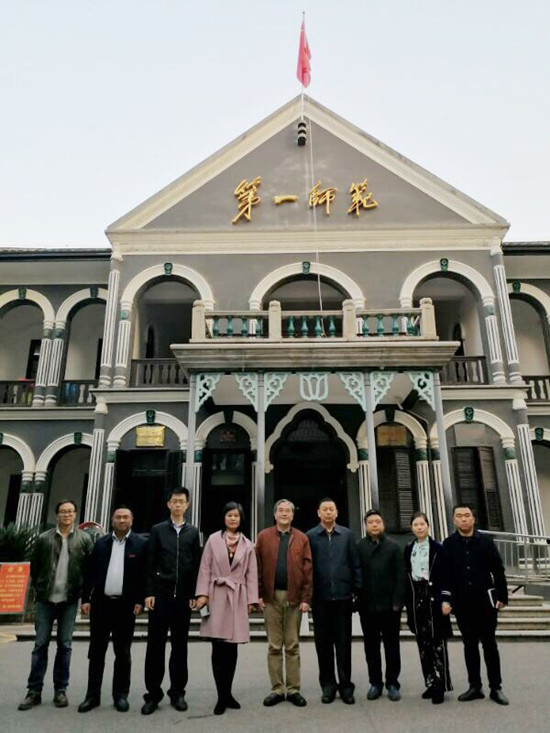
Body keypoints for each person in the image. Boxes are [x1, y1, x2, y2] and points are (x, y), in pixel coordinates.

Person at [18, 500, 93, 711]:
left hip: (69, 600)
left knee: (65, 646)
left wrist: (85, 596)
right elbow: (35, 567)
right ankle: (34, 691)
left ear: (76, 514)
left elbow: (89, 569)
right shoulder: (44, 538)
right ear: (57, 515)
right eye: (63, 512)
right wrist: (39, 588)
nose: (66, 515)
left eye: (70, 511)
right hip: (45, 600)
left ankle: (61, 690)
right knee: (40, 645)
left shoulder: (84, 539)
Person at [78, 506, 148, 713]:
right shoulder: (101, 543)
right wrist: (85, 598)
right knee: (96, 652)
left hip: (126, 606)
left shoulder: (141, 544)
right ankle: (92, 695)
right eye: (118, 517)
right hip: (101, 604)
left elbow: (144, 576)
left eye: (126, 517)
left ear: (131, 521)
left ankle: (120, 695)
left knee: (123, 652)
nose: (122, 520)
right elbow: (90, 572)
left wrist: (140, 600)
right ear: (112, 520)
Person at [195, 501, 259, 715]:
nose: (233, 518)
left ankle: (228, 692)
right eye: (229, 515)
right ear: (224, 518)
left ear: (241, 519)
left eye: (236, 516)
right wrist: (202, 594)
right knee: (218, 648)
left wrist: (252, 600)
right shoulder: (213, 540)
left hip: (238, 597)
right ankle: (221, 696)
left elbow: (252, 574)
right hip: (216, 594)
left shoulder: (248, 545)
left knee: (232, 649)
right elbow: (205, 568)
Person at [141, 487, 201, 715]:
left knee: (180, 647)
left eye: (181, 501)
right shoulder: (157, 530)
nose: (177, 505)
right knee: (155, 647)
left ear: (187, 505)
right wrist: (148, 592)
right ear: (168, 504)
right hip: (160, 596)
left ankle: (177, 692)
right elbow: (150, 563)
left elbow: (196, 565)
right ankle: (153, 694)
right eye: (174, 501)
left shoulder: (193, 533)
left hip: (183, 599)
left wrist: (194, 594)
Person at [442, 504, 509, 705]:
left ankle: (496, 687)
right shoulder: (449, 544)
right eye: (459, 516)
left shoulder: (486, 542)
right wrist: (448, 599)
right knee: (469, 645)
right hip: (462, 603)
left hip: (485, 603)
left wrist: (502, 596)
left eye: (467, 515)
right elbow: (446, 574)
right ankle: (475, 686)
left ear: (473, 518)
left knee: (489, 645)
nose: (463, 519)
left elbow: (498, 570)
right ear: (454, 520)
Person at [256, 499, 312, 708]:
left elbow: (308, 570)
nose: (284, 513)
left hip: (294, 597)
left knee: (292, 645)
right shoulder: (263, 537)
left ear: (293, 515)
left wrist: (306, 598)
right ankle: (277, 689)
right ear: (275, 514)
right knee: (274, 646)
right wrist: (257, 594)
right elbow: (257, 567)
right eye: (280, 510)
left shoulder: (301, 538)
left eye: (288, 510)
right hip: (270, 597)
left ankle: (294, 689)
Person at [306, 497, 361, 705]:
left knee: (344, 643)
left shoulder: (347, 535)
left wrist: (356, 590)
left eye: (332, 509)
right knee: (323, 644)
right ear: (318, 513)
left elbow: (355, 563)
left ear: (336, 513)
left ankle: (346, 686)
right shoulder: (310, 536)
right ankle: (328, 686)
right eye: (325, 509)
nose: (328, 512)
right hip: (320, 599)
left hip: (343, 597)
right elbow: (307, 568)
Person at [356, 509, 405, 702]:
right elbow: (356, 574)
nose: (374, 525)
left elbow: (400, 576)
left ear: (383, 524)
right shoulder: (359, 547)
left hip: (390, 607)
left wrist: (398, 602)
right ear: (365, 526)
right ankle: (375, 682)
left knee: (392, 646)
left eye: (377, 521)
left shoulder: (394, 547)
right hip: (367, 606)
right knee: (371, 647)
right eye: (370, 522)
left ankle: (392, 682)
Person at [404, 511, 452, 704]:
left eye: (422, 524)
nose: (419, 527)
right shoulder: (409, 548)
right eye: (415, 525)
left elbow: (447, 575)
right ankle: (430, 682)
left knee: (437, 641)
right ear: (411, 528)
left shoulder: (438, 548)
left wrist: (446, 599)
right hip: (416, 597)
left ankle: (441, 684)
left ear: (428, 526)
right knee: (422, 642)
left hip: (434, 596)